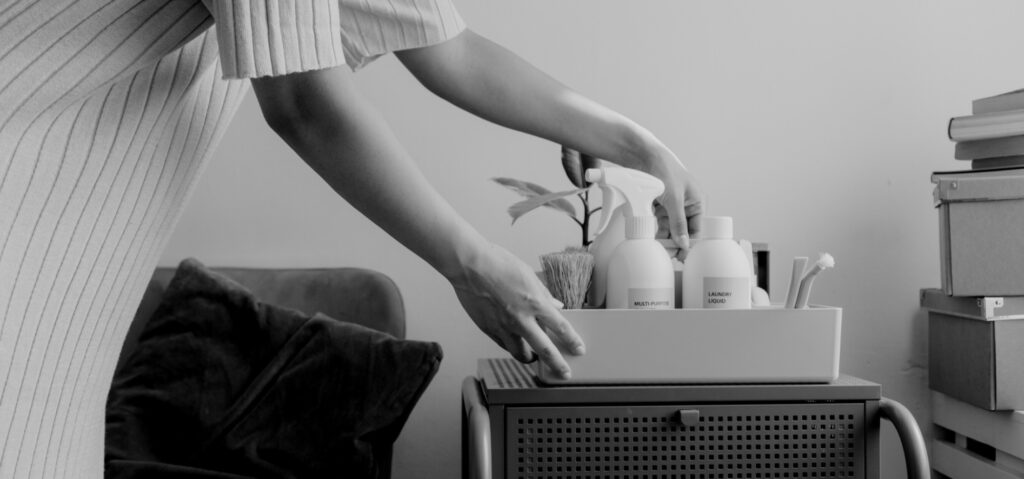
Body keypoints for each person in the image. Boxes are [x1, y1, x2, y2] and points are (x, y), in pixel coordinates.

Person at [0, 0, 702, 477]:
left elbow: (444, 48)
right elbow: (303, 101)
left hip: (57, 264)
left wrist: (640, 147)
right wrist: (471, 263)